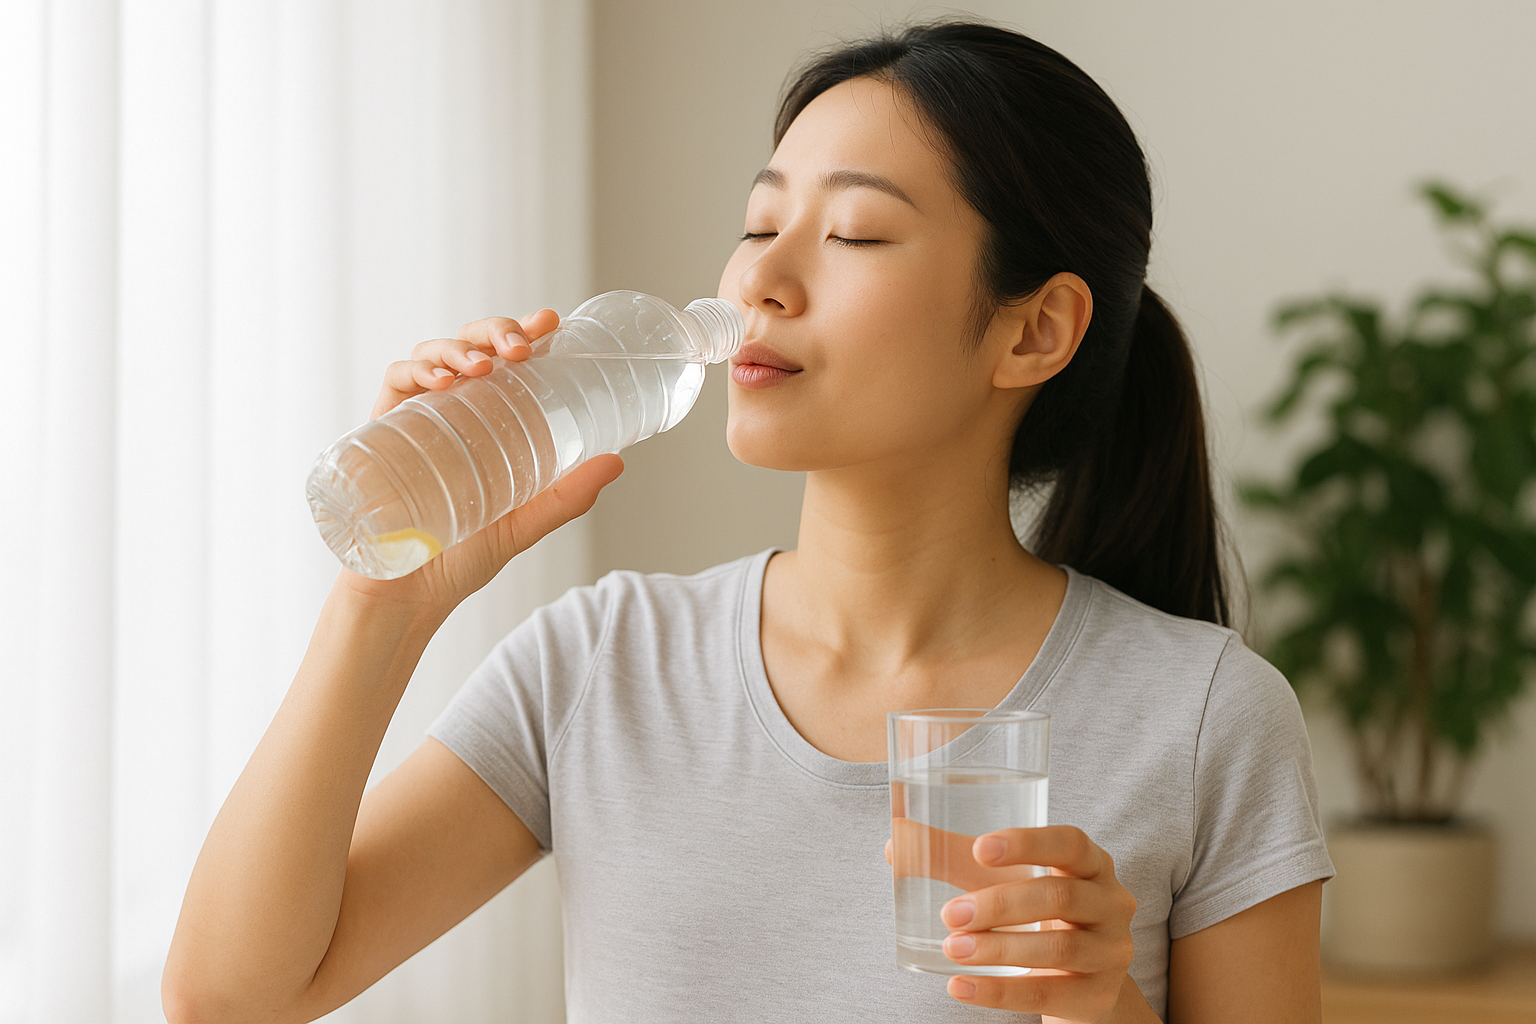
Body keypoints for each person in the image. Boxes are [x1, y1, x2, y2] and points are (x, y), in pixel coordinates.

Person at [164, 19, 1333, 1024]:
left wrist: (1104, 1008)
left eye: (857, 233)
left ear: (1034, 331)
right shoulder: (605, 663)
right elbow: (230, 997)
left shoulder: (1204, 717)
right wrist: (386, 599)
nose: (760, 281)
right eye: (757, 221)